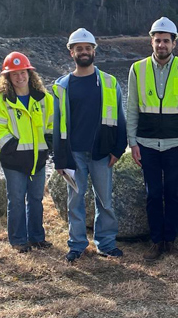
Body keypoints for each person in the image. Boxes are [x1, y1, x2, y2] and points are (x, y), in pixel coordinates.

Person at [53, 28, 127, 262]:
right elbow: (57, 125)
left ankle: (105, 243)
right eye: (79, 49)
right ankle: (76, 244)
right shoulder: (62, 86)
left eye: (87, 48)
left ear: (94, 51)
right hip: (74, 154)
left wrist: (118, 148)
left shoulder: (109, 82)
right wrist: (60, 159)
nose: (83, 52)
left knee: (105, 200)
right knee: (74, 200)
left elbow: (120, 118)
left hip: (102, 153)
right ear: (71, 53)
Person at [127, 17, 178, 261]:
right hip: (146, 144)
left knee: (173, 193)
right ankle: (156, 241)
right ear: (151, 42)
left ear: (174, 43)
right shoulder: (138, 68)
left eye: (166, 41)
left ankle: (171, 240)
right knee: (153, 194)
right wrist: (132, 142)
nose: (161, 45)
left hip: (176, 143)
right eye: (157, 40)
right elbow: (132, 108)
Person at [0, 52, 54, 253]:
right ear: (7, 77)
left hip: (38, 160)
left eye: (22, 72)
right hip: (13, 161)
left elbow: (52, 122)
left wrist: (50, 143)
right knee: (15, 201)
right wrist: (10, 147)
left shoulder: (44, 99)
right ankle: (18, 240)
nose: (19, 77)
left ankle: (36, 238)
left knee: (35, 200)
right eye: (14, 74)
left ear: (29, 74)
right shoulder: (0, 101)